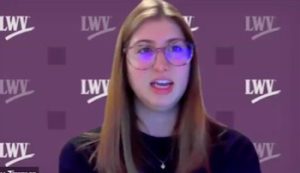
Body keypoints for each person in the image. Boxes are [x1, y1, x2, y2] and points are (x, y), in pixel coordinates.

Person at [59, 0, 262, 172]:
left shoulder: (235, 152)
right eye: (145, 50)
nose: (161, 65)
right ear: (124, 62)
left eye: (174, 48)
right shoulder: (82, 157)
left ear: (191, 60)